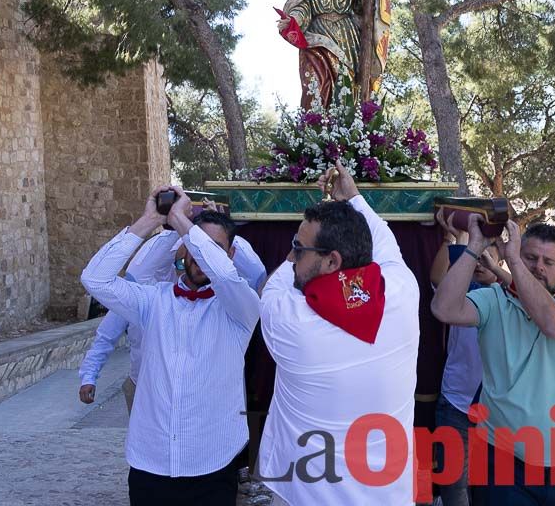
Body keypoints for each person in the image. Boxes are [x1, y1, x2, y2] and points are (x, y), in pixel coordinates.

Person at [80, 187, 260, 506]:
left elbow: (227, 276)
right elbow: (95, 280)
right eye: (193, 247)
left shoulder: (240, 308)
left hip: (213, 465)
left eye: (212, 249)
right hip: (150, 463)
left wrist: (182, 221)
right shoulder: (153, 301)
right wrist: (151, 220)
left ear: (229, 255)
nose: (200, 257)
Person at [256, 161, 420, 505]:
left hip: (306, 495)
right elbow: (386, 243)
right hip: (388, 495)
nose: (294, 254)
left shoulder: (290, 321)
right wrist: (354, 199)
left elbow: (273, 287)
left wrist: (291, 255)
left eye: (299, 248)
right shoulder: (402, 292)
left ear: (332, 261)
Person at [433, 219, 555, 506]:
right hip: (501, 456)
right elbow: (443, 308)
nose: (538, 267)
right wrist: (473, 245)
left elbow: (554, 324)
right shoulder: (494, 299)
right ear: (518, 256)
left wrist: (513, 262)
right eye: (530, 257)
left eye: (549, 261)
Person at [77, 221, 266, 413]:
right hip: (145, 390)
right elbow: (107, 333)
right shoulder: (147, 298)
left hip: (206, 400)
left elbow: (257, 274)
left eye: (201, 257)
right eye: (182, 262)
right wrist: (175, 227)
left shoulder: (229, 303)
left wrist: (205, 228)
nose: (191, 267)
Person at [428, 209, 510, 506]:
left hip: (498, 411)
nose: (481, 261)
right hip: (456, 404)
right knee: (455, 488)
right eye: (477, 255)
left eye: (489, 255)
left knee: (491, 488)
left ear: (501, 262)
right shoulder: (465, 294)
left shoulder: (513, 298)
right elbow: (438, 277)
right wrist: (450, 239)